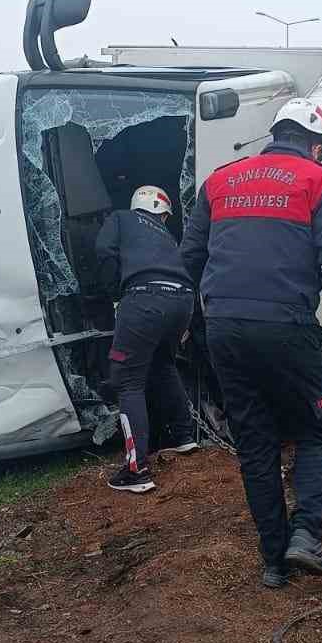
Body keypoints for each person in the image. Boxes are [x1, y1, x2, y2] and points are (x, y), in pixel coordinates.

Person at [181, 98, 322, 589]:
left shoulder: (218, 181)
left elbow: (190, 258)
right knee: (316, 428)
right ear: (317, 145)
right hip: (287, 329)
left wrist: (198, 324)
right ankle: (306, 535)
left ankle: (274, 562)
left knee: (255, 442)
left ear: (275, 133)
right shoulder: (319, 182)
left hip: (225, 330)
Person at [94, 185, 198, 494]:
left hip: (144, 298)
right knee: (164, 365)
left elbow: (103, 250)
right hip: (183, 300)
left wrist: (114, 293)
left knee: (128, 381)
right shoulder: (166, 236)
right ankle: (184, 437)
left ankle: (135, 471)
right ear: (162, 213)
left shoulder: (121, 218)